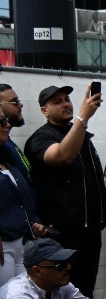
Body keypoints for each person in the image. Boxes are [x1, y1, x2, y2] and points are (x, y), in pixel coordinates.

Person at [25, 85, 106, 298]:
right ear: (44, 110)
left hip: (89, 233)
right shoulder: (40, 138)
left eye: (67, 99)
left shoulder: (82, 136)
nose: (65, 104)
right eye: (57, 101)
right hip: (61, 237)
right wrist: (83, 117)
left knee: (84, 295)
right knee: (59, 297)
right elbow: (62, 155)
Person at [0, 114, 47, 284]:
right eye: (1, 121)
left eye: (6, 119)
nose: (8, 124)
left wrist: (33, 221)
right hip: (4, 246)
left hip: (22, 242)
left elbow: (19, 200)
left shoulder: (8, 158)